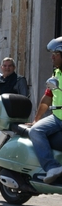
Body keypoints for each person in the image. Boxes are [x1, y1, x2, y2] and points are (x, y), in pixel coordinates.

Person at [29, 36, 62, 184]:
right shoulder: (56, 74)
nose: (52, 57)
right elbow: (47, 98)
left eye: (55, 54)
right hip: (57, 118)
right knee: (35, 130)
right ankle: (52, 166)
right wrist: (36, 120)